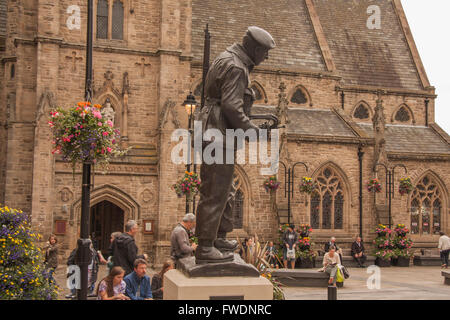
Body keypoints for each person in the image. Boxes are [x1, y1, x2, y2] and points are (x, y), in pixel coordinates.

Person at [194, 26, 276, 264]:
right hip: (217, 132)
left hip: (213, 129)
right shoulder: (237, 67)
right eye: (265, 52)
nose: (266, 57)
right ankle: (205, 246)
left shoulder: (226, 57)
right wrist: (254, 132)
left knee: (226, 188)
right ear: (256, 48)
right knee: (215, 191)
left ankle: (219, 236)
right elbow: (232, 106)